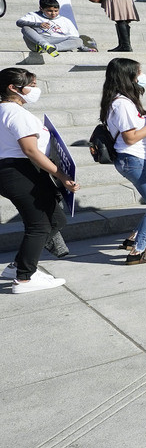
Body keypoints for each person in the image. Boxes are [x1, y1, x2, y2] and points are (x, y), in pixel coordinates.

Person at [0, 67, 78, 292]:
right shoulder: (15, 113)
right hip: (20, 171)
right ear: (13, 88)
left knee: (55, 220)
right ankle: (24, 278)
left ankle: (17, 266)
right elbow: (30, 150)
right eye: (31, 85)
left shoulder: (8, 110)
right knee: (39, 224)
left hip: (17, 170)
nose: (35, 89)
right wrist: (62, 176)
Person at [101, 58, 146, 264]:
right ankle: (137, 251)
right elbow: (130, 137)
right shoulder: (122, 104)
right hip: (135, 159)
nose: (142, 76)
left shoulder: (124, 101)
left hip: (142, 159)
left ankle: (133, 239)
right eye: (139, 72)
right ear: (128, 76)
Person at [16, 0, 83, 55]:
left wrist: (82, 47)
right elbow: (19, 22)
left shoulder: (65, 20)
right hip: (38, 42)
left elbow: (74, 37)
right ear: (41, 9)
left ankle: (52, 48)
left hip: (57, 41)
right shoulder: (34, 15)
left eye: (56, 11)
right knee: (25, 27)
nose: (53, 13)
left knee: (78, 40)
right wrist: (38, 24)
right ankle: (45, 45)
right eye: (49, 11)